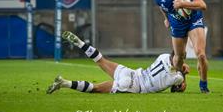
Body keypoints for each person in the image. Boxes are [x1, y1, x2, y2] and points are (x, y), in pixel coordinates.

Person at [47, 31, 189, 94]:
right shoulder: (177, 77)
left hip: (132, 73)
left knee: (101, 60)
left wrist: (180, 67)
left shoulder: (163, 56)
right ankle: (64, 83)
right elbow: (179, 88)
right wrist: (183, 72)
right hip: (134, 86)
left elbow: (174, 66)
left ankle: (80, 43)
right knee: (96, 89)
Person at [154, 0, 209, 93]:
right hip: (177, 25)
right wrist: (166, 19)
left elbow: (203, 5)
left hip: (193, 21)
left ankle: (203, 85)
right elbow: (162, 7)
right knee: (178, 57)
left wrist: (182, 4)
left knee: (201, 55)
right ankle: (180, 81)